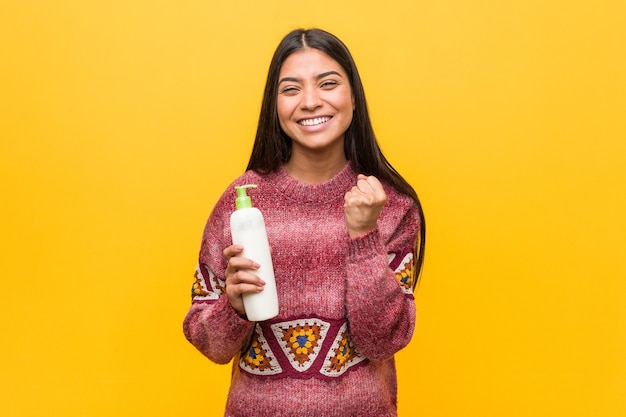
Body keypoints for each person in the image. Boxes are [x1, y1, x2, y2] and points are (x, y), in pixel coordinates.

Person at [183, 28, 425, 417]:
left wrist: (364, 235)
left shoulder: (391, 206)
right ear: (274, 105)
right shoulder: (240, 202)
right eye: (291, 89)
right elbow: (208, 342)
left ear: (353, 98)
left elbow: (382, 340)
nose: (311, 102)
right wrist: (234, 308)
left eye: (328, 84)